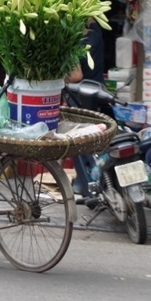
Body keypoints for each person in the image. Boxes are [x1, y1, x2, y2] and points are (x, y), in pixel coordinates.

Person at [65, 18, 105, 197]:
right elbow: (93, 20)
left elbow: (75, 75)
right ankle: (87, 183)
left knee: (80, 144)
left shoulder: (75, 43)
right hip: (99, 93)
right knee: (95, 141)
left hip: (81, 97)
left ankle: (86, 186)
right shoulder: (95, 35)